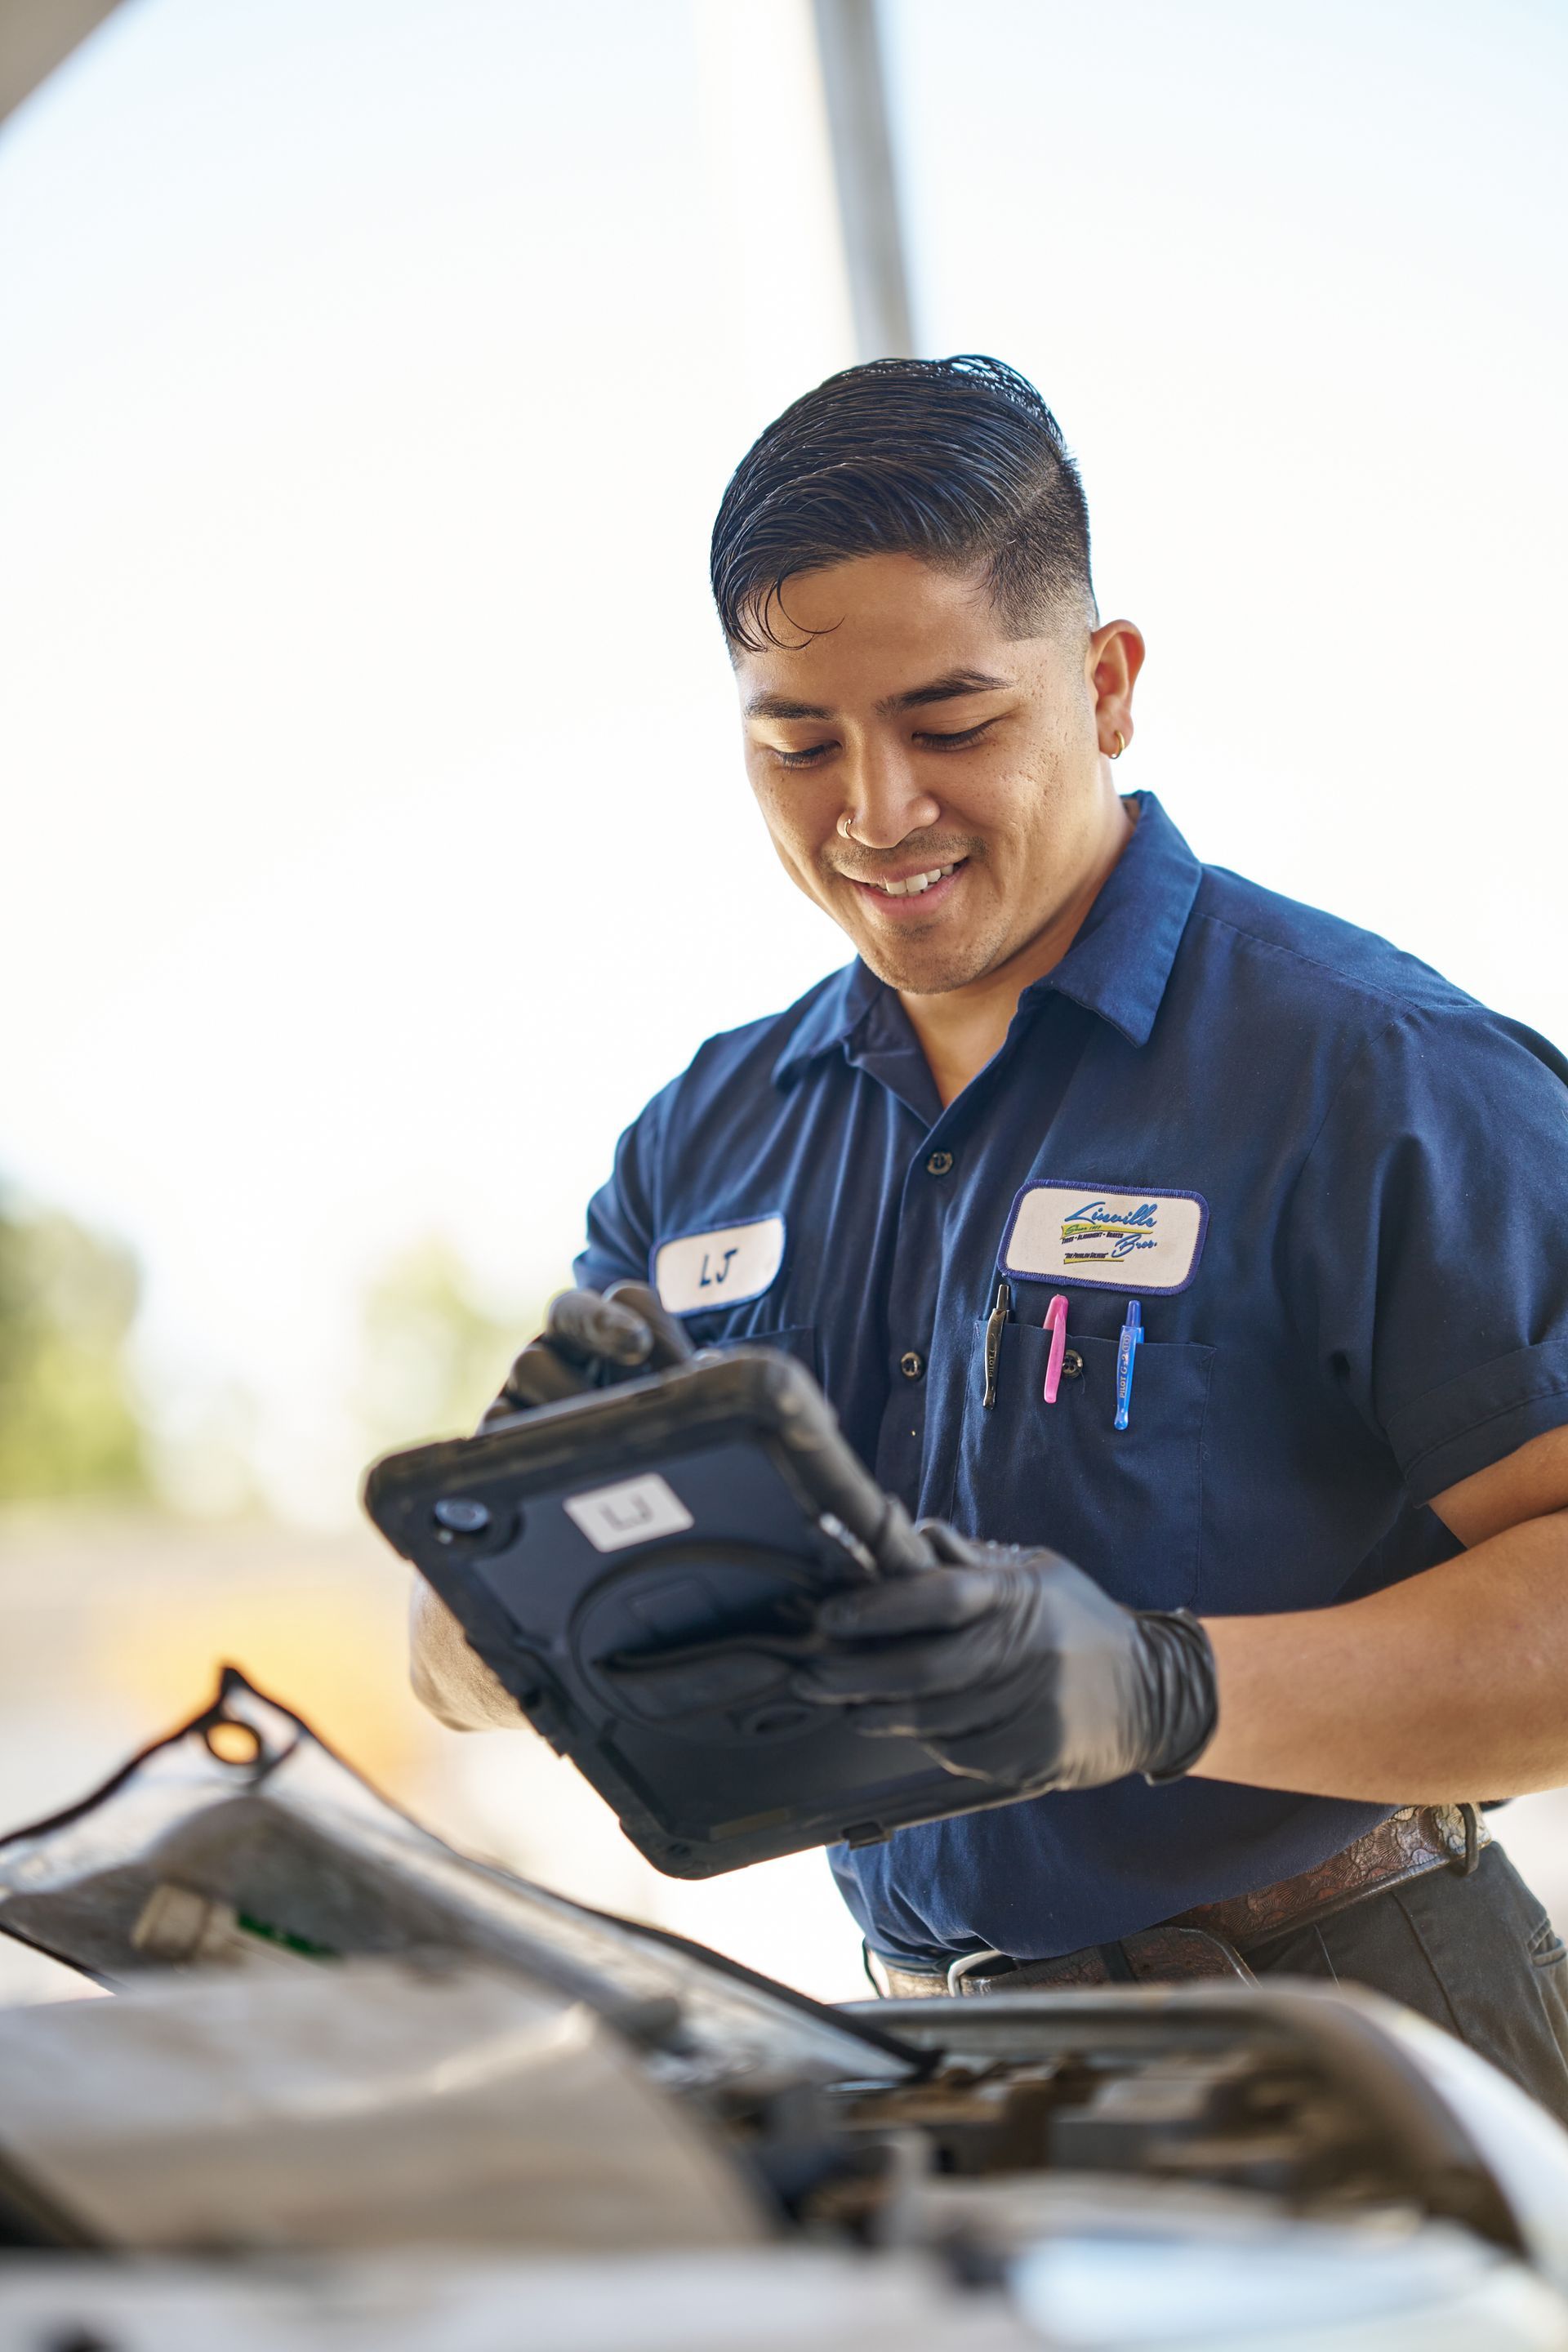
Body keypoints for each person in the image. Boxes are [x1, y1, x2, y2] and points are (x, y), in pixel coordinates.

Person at [412, 356, 1568, 2117]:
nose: (874, 812)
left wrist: (1159, 1690)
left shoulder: (1375, 1074)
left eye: (951, 723)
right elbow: (439, 1663)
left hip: (1355, 2042)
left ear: (1106, 687)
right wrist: (524, 1603)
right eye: (796, 743)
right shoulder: (706, 1144)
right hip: (920, 2076)